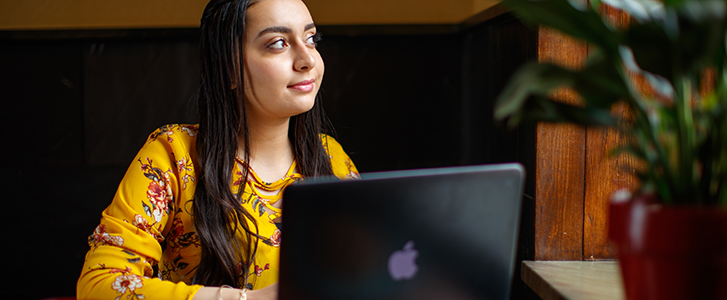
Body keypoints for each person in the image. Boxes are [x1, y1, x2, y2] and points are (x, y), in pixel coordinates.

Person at [76, 0, 360, 299]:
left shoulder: (330, 157)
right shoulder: (174, 156)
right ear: (229, 69)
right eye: (278, 43)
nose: (308, 60)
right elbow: (99, 285)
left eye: (311, 39)